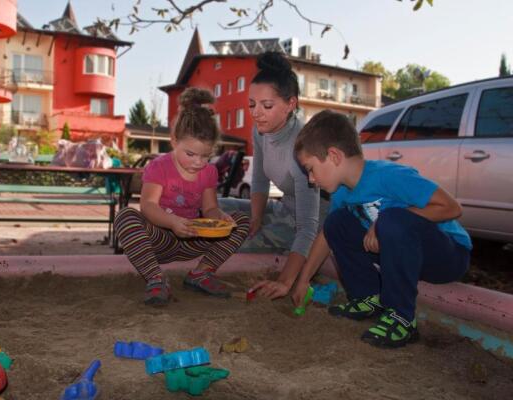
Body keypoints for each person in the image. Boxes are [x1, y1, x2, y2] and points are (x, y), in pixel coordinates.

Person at [291, 110, 471, 348]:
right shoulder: (342, 191)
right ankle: (368, 296)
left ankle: (402, 317)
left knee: (391, 220)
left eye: (310, 169)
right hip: (405, 254)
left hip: (448, 255)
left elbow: (451, 207)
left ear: (333, 155)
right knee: (336, 224)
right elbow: (326, 236)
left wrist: (384, 221)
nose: (311, 180)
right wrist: (303, 280)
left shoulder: (389, 176)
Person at [114, 87, 250, 306]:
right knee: (125, 217)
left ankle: (201, 274)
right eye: (190, 154)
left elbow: (209, 209)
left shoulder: (209, 172)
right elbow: (148, 206)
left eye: (205, 156)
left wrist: (220, 216)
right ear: (174, 141)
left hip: (193, 238)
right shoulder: (159, 167)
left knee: (240, 221)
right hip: (159, 239)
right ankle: (156, 279)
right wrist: (172, 222)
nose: (198, 162)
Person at [219, 51, 320, 300]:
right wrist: (256, 217)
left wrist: (285, 281)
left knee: (229, 242)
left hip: (311, 223)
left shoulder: (302, 147)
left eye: (267, 106)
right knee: (214, 206)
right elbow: (261, 180)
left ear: (291, 104)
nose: (256, 113)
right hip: (283, 207)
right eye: (252, 104)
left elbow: (308, 227)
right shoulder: (260, 130)